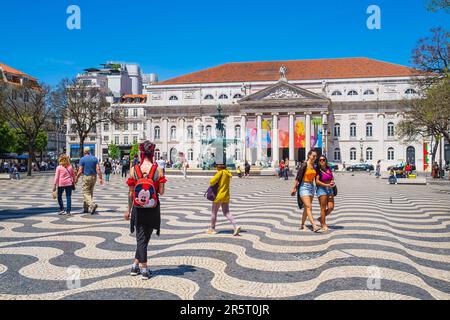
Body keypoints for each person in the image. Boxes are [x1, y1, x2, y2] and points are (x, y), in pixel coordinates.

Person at [124, 141, 167, 280]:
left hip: (138, 208)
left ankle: (135, 265)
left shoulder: (134, 169)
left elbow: (131, 193)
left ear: (142, 153)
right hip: (153, 208)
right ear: (152, 153)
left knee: (142, 238)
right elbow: (161, 192)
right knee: (144, 238)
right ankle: (144, 269)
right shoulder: (158, 169)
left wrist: (128, 210)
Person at [207, 164, 241, 236]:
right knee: (226, 212)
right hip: (226, 195)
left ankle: (212, 229)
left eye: (216, 167)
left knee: (214, 212)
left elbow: (212, 181)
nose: (216, 168)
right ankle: (236, 226)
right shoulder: (227, 173)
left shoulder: (220, 172)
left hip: (219, 196)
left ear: (219, 167)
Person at [291, 150, 320, 232]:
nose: (315, 157)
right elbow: (298, 177)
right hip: (303, 187)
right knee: (309, 206)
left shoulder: (313, 165)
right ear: (309, 156)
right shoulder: (304, 164)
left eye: (315, 156)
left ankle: (302, 224)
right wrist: (294, 187)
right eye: (313, 156)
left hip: (311, 187)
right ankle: (314, 226)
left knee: (306, 208)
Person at [75, 147, 104, 214]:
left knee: (85, 192)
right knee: (90, 192)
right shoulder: (95, 158)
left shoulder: (82, 159)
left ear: (84, 152)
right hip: (94, 177)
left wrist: (76, 177)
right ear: (89, 151)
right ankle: (85, 208)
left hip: (86, 177)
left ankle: (92, 205)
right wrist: (100, 178)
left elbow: (80, 170)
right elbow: (98, 169)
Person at [315, 155, 335, 231]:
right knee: (323, 208)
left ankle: (321, 218)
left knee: (331, 207)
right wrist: (326, 184)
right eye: (320, 160)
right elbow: (317, 181)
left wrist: (332, 181)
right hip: (321, 189)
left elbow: (331, 177)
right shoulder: (318, 170)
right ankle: (323, 224)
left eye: (323, 159)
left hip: (329, 189)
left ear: (326, 160)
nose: (322, 161)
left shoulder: (328, 168)